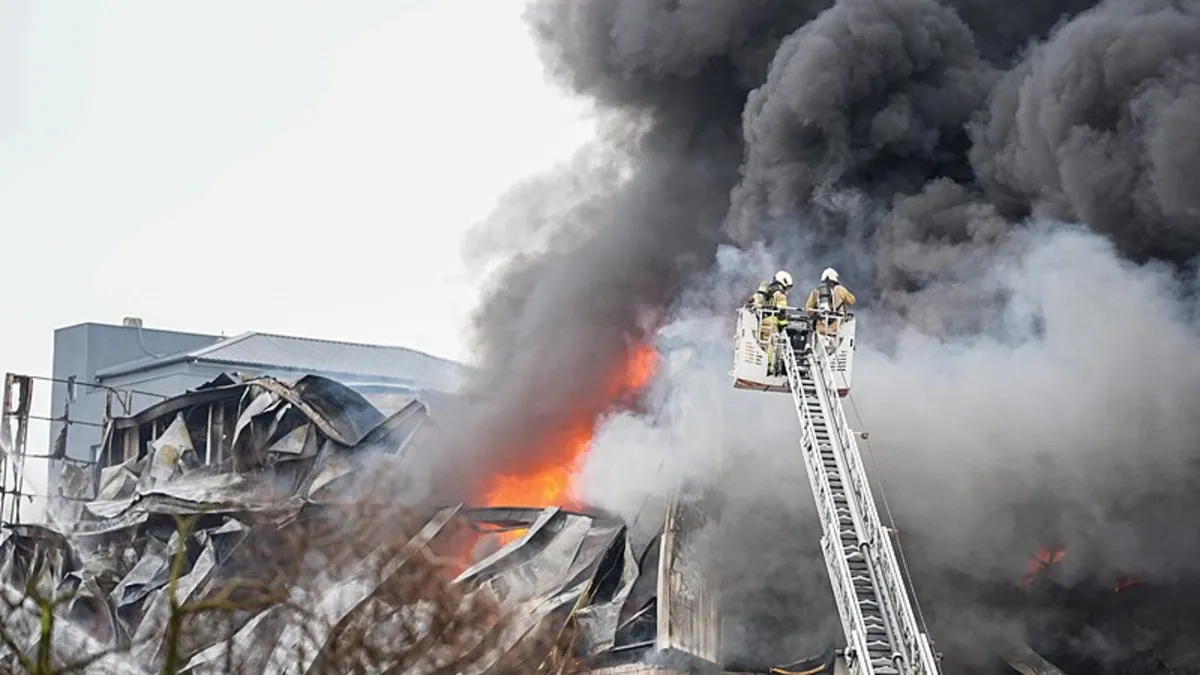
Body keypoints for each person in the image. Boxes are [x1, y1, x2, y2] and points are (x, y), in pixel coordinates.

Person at [748, 270, 793, 374]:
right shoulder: (780, 296)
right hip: (773, 323)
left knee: (764, 344)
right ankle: (770, 369)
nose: (787, 290)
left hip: (762, 322)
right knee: (772, 346)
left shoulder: (768, 292)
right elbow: (782, 312)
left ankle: (760, 367)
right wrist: (783, 326)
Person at [804, 267, 856, 335]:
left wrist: (817, 314)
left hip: (821, 328)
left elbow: (807, 311)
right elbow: (852, 301)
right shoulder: (840, 290)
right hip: (836, 327)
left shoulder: (815, 292)